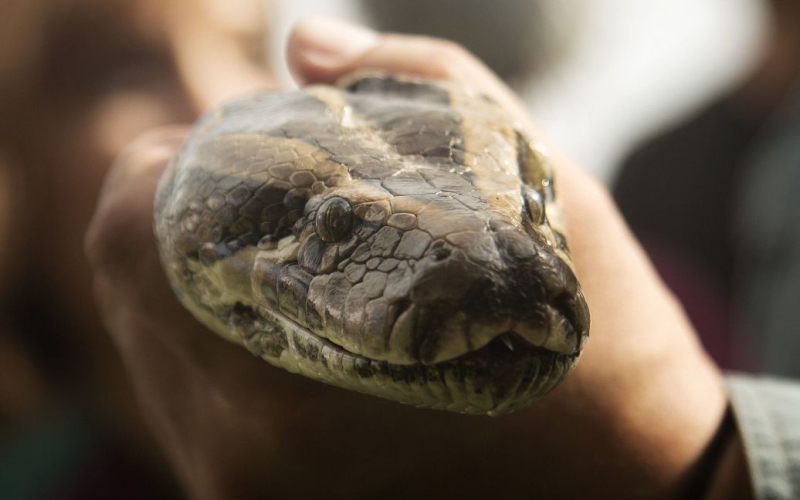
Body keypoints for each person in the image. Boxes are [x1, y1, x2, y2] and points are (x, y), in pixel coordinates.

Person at [85, 18, 800, 499]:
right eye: (337, 228)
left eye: (516, 205)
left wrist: (696, 463)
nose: (214, 95)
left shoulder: (681, 289)